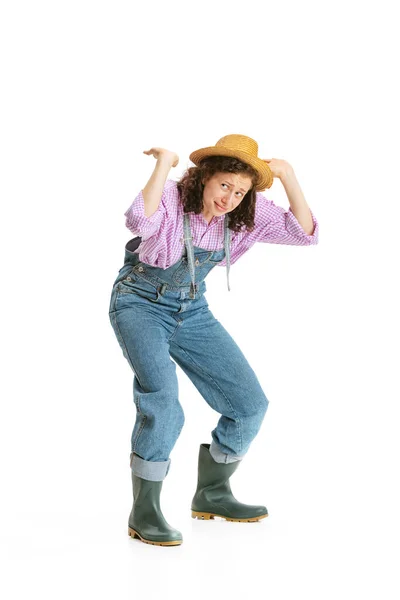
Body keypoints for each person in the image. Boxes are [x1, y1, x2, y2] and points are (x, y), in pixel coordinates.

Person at [108, 134, 319, 547]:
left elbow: (305, 233)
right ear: (205, 177)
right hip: (139, 303)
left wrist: (289, 175)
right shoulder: (171, 196)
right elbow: (139, 221)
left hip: (192, 309)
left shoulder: (247, 216)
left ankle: (213, 493)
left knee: (249, 404)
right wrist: (163, 164)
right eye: (224, 185)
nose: (230, 198)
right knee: (164, 403)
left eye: (240, 191)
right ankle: (145, 510)